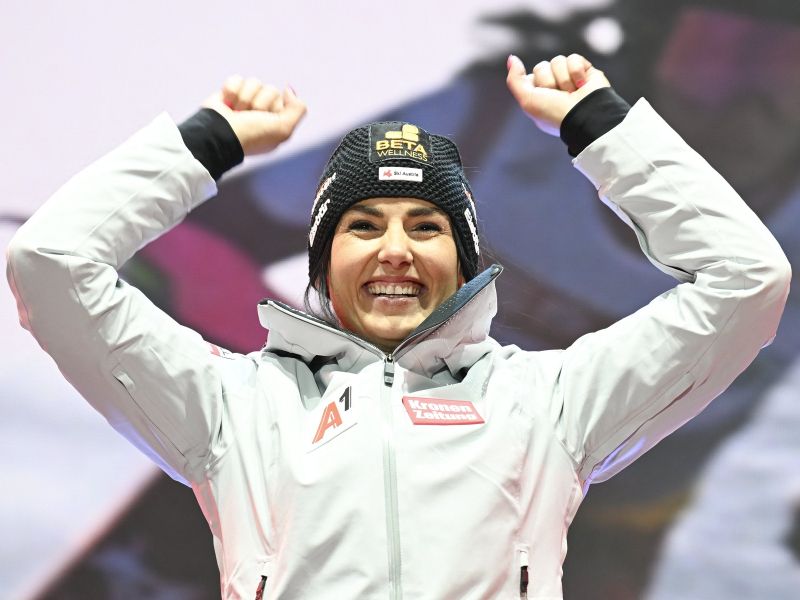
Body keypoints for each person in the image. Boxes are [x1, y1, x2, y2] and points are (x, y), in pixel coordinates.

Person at [6, 53, 790, 599]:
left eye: (425, 227)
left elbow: (748, 281)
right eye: (361, 226)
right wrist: (206, 143)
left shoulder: (552, 402)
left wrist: (605, 133)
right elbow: (49, 263)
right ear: (322, 262)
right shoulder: (231, 404)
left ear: (466, 262)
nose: (394, 250)